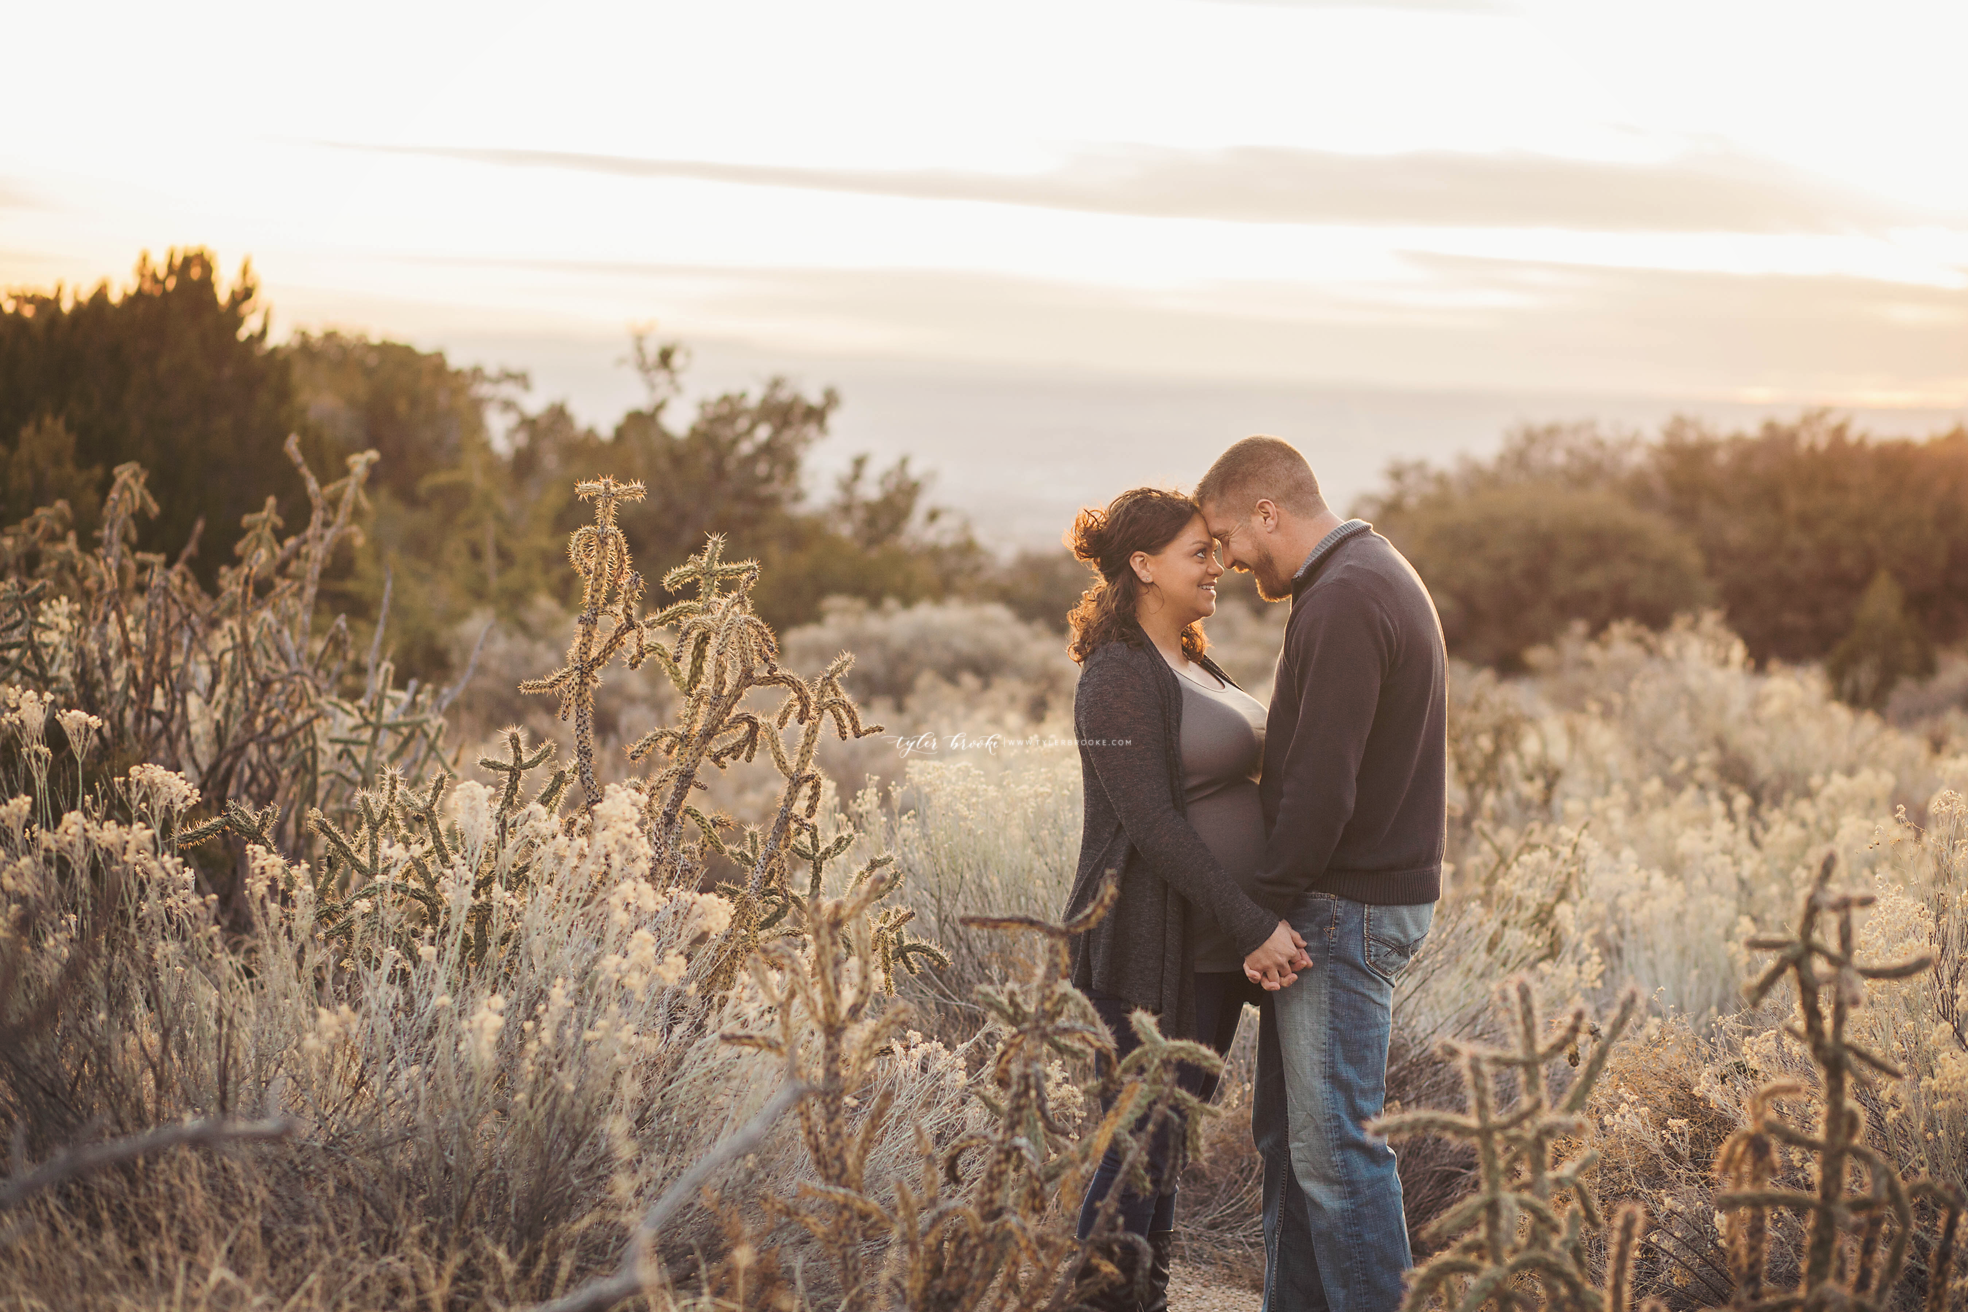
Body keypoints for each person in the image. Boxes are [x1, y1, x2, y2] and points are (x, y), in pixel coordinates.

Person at [1195, 436, 1448, 1312]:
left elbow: (1318, 788)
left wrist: (1254, 916)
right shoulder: (1362, 574)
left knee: (1337, 1152)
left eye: (1228, 536)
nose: (1226, 559)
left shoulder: (1343, 597)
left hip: (1344, 907)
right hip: (1341, 901)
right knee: (1292, 1142)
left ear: (1269, 511)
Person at [1060, 486, 1312, 1312]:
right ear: (1143, 565)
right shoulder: (1116, 676)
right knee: (1138, 1148)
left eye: (1215, 551)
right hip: (1146, 949)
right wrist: (1252, 925)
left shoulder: (1190, 659)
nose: (1219, 567)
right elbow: (1156, 827)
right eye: (1198, 554)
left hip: (1206, 951)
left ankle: (1147, 1300)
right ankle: (1099, 1301)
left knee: (1160, 1149)